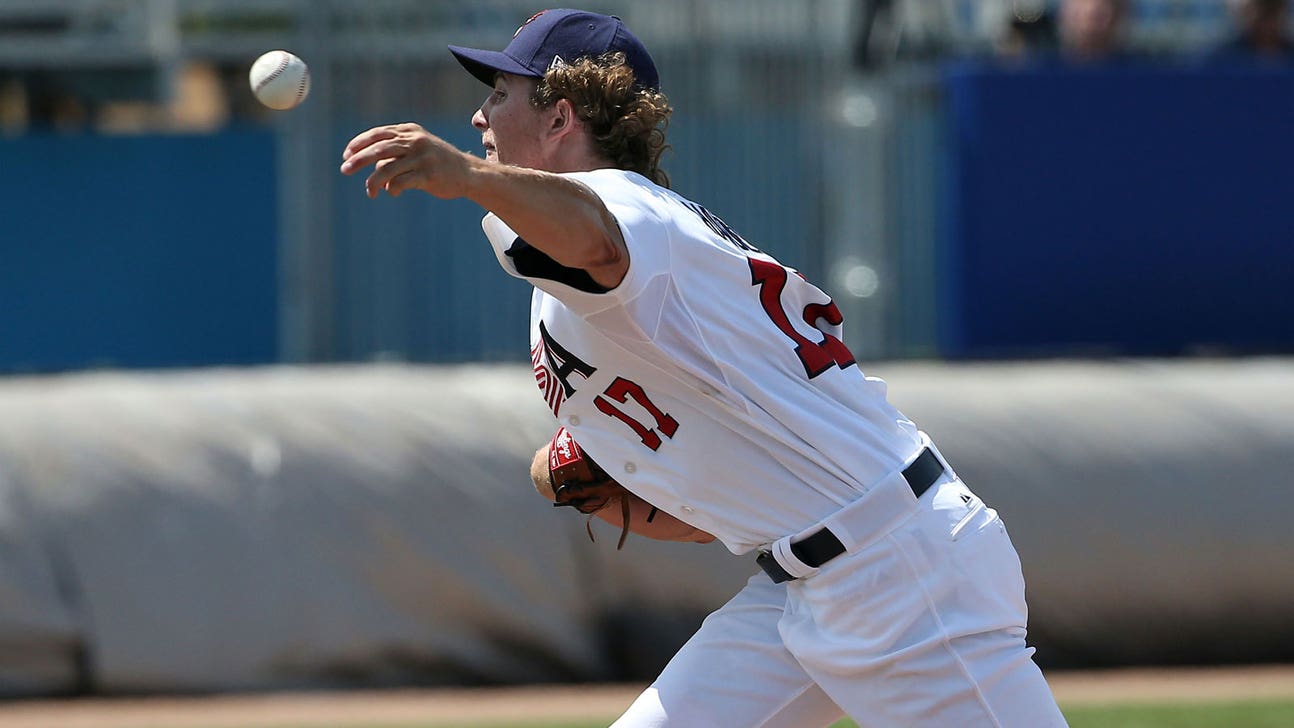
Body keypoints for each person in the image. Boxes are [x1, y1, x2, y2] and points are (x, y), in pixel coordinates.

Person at [340, 8, 1067, 726]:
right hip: (803, 585)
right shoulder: (620, 244)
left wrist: (467, 177)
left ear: (561, 118)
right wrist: (611, 466)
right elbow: (707, 509)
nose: (479, 116)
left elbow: (598, 239)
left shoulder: (622, 209)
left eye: (501, 94)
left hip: (900, 576)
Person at [1208, 0, 1293, 61]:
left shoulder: (1290, 55)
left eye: (1273, 14)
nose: (1268, 24)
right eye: (1263, 16)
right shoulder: (1224, 58)